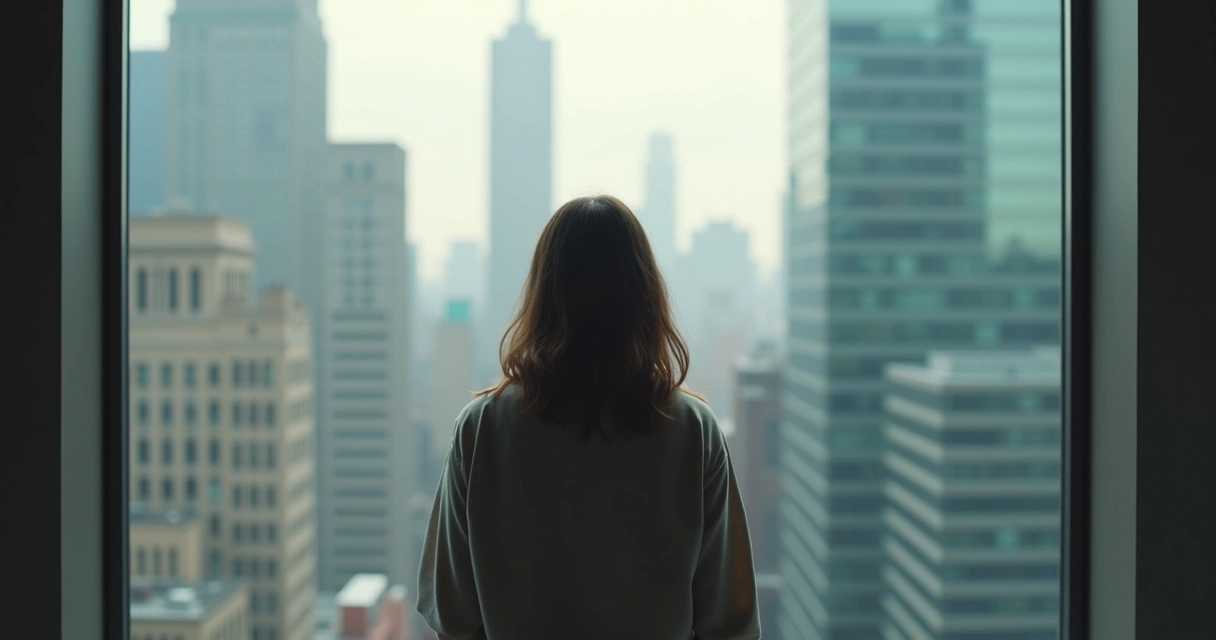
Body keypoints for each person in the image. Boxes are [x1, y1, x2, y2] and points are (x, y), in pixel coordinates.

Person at [417, 195, 761, 640]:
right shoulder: (693, 430)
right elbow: (730, 623)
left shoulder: (482, 428)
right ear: (643, 295)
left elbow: (453, 615)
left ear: (544, 294)